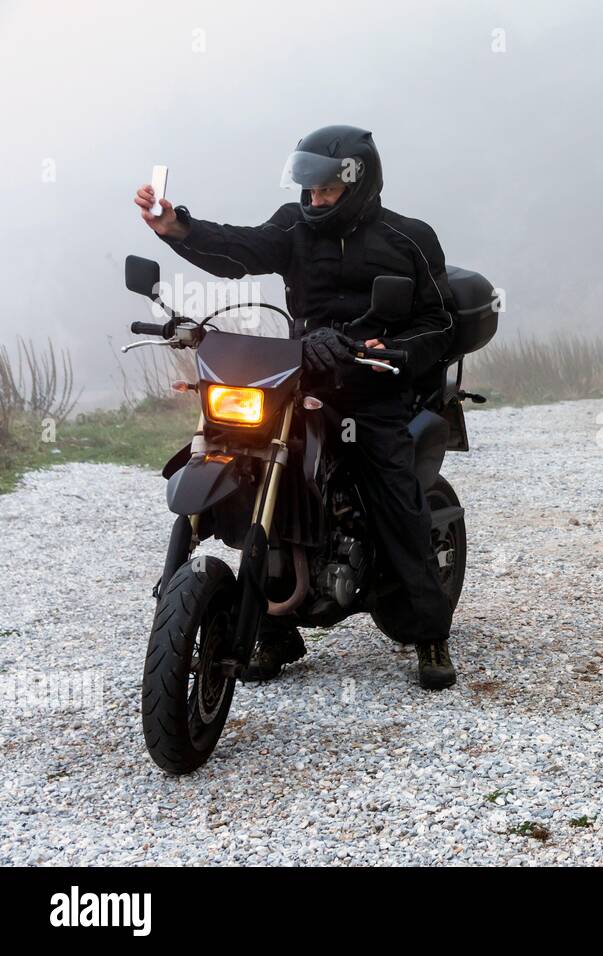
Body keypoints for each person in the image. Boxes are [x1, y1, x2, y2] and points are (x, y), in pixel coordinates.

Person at [134, 125, 458, 690]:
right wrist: (176, 227)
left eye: (326, 190)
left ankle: (429, 632)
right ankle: (274, 626)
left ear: (357, 183)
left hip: (372, 386)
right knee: (263, 473)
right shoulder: (293, 226)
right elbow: (237, 248)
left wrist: (396, 349)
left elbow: (442, 323)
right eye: (308, 189)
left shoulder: (408, 239)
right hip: (301, 371)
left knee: (395, 496)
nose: (314, 200)